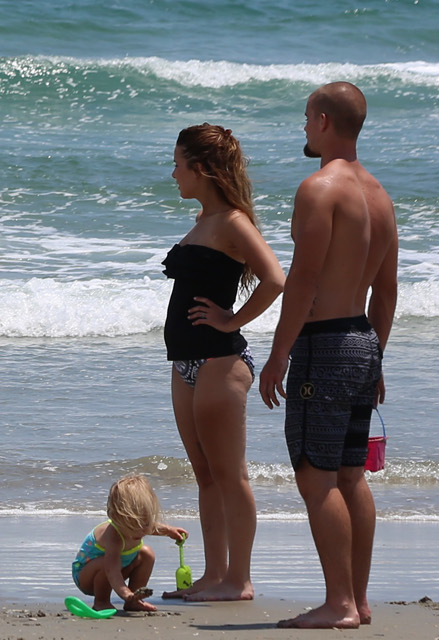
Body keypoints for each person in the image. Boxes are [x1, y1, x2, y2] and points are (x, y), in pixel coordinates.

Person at [260, 81, 396, 630]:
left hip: (325, 344)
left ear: (321, 120)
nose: (302, 128)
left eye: (304, 119)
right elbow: (386, 291)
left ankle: (338, 603)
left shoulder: (319, 189)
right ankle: (357, 601)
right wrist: (376, 358)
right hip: (362, 339)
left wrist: (278, 354)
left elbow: (305, 279)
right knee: (350, 476)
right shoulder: (380, 196)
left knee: (315, 478)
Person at [160, 124, 285, 602]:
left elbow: (275, 278)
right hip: (185, 362)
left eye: (178, 164)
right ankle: (215, 576)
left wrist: (231, 321)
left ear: (201, 169)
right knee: (205, 474)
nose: (173, 173)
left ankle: (240, 579)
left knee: (230, 475)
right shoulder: (202, 221)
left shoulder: (233, 222)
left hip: (219, 360)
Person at [72, 474, 188, 612]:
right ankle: (101, 601)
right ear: (117, 519)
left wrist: (169, 530)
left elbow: (152, 527)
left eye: (145, 523)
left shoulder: (141, 526)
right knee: (105, 563)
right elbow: (112, 570)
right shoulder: (113, 535)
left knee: (146, 553)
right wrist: (125, 593)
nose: (141, 532)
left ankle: (134, 601)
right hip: (88, 577)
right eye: (133, 526)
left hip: (117, 569)